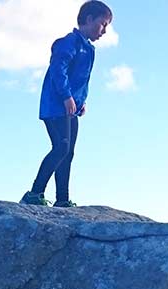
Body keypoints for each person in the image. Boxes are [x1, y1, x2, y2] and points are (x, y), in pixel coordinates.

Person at [20, 1, 113, 208]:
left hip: (71, 109)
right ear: (88, 19)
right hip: (55, 106)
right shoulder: (69, 42)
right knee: (60, 147)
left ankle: (62, 199)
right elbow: (57, 69)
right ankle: (34, 194)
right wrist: (66, 96)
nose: (105, 30)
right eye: (102, 24)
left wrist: (81, 102)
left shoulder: (88, 49)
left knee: (68, 152)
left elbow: (81, 80)